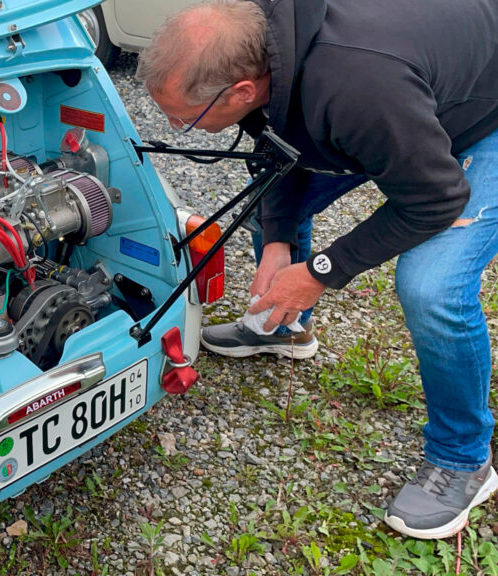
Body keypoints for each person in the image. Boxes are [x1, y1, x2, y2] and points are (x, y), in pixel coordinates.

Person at [135, 0, 498, 539]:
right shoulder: (265, 39)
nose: (174, 127)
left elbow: (433, 199)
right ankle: (284, 329)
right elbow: (278, 148)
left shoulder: (358, 89)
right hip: (400, 101)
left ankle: (464, 460)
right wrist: (279, 241)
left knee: (431, 287)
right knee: (269, 206)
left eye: (183, 117)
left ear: (241, 91)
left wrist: (320, 271)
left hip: (476, 114)